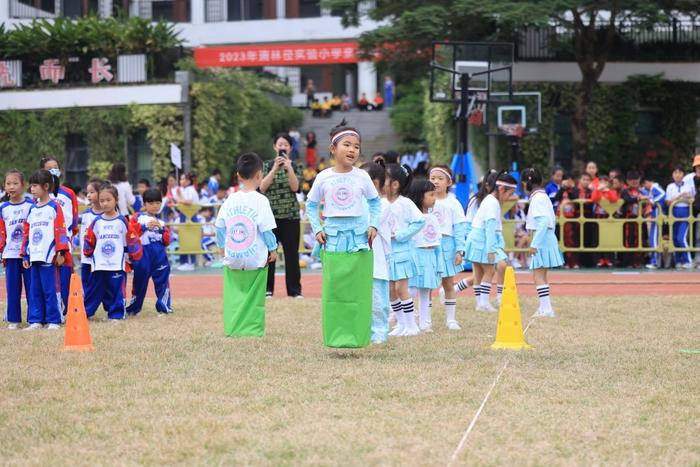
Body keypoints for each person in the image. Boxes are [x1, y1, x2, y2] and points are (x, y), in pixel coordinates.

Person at [306, 122, 380, 347]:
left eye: (356, 146)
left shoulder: (362, 177)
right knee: (335, 287)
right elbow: (310, 206)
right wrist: (317, 228)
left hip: (358, 239)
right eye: (346, 145)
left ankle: (358, 336)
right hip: (333, 238)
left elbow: (375, 203)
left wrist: (373, 225)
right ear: (332, 148)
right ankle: (336, 337)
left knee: (357, 287)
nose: (352, 150)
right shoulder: (323, 177)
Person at [215, 153, 278, 337]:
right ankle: (252, 328)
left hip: (233, 256)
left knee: (234, 294)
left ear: (238, 175)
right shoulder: (261, 201)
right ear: (260, 174)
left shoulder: (230, 199)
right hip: (255, 257)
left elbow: (219, 227)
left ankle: (233, 327)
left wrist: (222, 249)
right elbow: (267, 230)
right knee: (255, 295)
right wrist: (273, 249)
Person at [83, 184, 142, 320]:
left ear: (116, 200)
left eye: (108, 200)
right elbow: (89, 239)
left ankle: (116, 315)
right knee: (93, 290)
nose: (105, 203)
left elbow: (131, 240)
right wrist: (88, 252)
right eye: (102, 200)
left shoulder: (122, 221)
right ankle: (85, 313)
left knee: (116, 290)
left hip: (117, 264)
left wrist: (132, 257)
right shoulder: (97, 221)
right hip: (99, 264)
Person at [21, 169, 71, 330]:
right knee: (34, 290)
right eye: (31, 186)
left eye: (35, 186)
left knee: (50, 290)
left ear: (46, 186)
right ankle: (36, 319)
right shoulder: (32, 209)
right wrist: (25, 254)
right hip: (34, 256)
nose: (32, 189)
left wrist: (61, 252)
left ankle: (54, 320)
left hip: (49, 256)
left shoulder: (54, 207)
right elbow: (26, 233)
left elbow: (62, 230)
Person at [464, 171, 517, 312]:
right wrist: (490, 249)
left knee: (480, 273)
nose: (510, 198)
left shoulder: (489, 200)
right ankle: (483, 303)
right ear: (501, 189)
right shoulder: (492, 203)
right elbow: (490, 228)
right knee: (489, 271)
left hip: (477, 238)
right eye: (509, 194)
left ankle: (480, 303)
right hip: (482, 240)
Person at [260, 133, 304, 298]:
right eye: (280, 144)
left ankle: (294, 291)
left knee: (292, 255)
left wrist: (289, 167)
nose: (282, 147)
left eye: (286, 144)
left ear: (290, 148)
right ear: (274, 147)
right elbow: (262, 187)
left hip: (291, 216)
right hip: (270, 218)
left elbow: (295, 187)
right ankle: (267, 290)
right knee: (269, 254)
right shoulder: (266, 166)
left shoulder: (296, 166)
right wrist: (274, 169)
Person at [385, 164, 425, 337]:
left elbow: (419, 222)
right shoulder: (380, 203)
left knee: (402, 288)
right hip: (387, 252)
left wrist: (401, 235)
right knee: (390, 289)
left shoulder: (406, 203)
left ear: (395, 184)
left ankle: (411, 325)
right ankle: (401, 323)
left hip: (403, 251)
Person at [521, 168, 564, 318]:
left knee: (538, 275)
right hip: (547, 238)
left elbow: (543, 222)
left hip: (542, 239)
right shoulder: (543, 196)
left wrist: (534, 244)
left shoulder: (537, 198)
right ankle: (545, 307)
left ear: (526, 183)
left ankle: (546, 309)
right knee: (542, 275)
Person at [429, 166, 466, 330]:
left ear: (449, 182)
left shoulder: (454, 203)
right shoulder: (425, 200)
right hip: (429, 246)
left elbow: (459, 228)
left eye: (440, 178)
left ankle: (451, 319)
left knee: (448, 283)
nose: (436, 181)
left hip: (447, 245)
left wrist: (460, 250)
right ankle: (425, 319)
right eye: (432, 178)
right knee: (427, 284)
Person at [39, 156, 78, 313]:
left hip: (63, 240)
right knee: (47, 277)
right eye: (49, 168)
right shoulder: (39, 194)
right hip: (44, 243)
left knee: (64, 275)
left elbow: (74, 219)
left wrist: (68, 235)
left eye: (55, 167)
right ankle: (49, 309)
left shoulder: (68, 193)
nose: (53, 171)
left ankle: (67, 308)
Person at [126, 188, 172, 316]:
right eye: (151, 203)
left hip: (159, 254)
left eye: (158, 203)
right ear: (144, 204)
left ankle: (164, 307)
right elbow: (130, 232)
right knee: (139, 282)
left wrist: (162, 230)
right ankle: (134, 308)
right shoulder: (137, 217)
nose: (155, 206)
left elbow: (167, 241)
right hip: (143, 254)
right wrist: (144, 227)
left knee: (162, 281)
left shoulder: (162, 222)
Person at [361, 161, 392, 344]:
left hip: (377, 262)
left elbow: (367, 224)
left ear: (375, 183)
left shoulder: (383, 205)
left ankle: (379, 333)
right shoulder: (357, 204)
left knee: (378, 302)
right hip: (360, 260)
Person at [406, 179, 441, 332]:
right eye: (431, 195)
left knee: (426, 291)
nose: (434, 198)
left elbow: (438, 242)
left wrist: (438, 263)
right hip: (415, 255)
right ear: (420, 196)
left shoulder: (433, 218)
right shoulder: (411, 218)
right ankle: (408, 317)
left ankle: (425, 322)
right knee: (411, 290)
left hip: (429, 256)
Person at [0, 169, 33, 329]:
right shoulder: (3, 207)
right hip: (10, 254)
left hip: (28, 255)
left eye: (15, 183)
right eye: (8, 183)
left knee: (31, 287)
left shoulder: (31, 206)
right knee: (12, 288)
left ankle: (34, 318)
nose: (11, 187)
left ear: (23, 185)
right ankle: (13, 319)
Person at [78, 179, 104, 298]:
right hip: (86, 256)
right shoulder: (86, 214)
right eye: (88, 192)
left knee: (102, 283)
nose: (88, 195)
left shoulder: (107, 215)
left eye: (92, 192)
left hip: (101, 258)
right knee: (86, 281)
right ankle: (86, 306)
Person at [666, 165, 695, 268]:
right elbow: (668, 202)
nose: (677, 175)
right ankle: (678, 260)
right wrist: (678, 197)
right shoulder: (670, 187)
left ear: (683, 175)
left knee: (681, 238)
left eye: (680, 173)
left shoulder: (688, 186)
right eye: (675, 173)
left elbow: (693, 200)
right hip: (674, 212)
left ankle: (688, 261)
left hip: (685, 212)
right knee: (674, 238)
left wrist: (689, 197)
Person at [619, 171, 646, 268]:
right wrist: (637, 199)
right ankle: (627, 262)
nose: (634, 182)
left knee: (639, 240)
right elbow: (626, 200)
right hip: (628, 219)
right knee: (628, 240)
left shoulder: (642, 191)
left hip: (639, 219)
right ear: (627, 181)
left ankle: (638, 262)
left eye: (636, 180)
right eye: (632, 180)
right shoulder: (624, 191)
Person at [590, 175, 619, 268]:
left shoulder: (612, 191)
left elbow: (614, 199)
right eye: (601, 182)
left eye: (605, 182)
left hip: (608, 219)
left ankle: (609, 259)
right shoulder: (597, 191)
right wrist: (598, 190)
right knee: (597, 239)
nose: (603, 184)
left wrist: (608, 191)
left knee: (608, 239)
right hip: (598, 218)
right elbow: (594, 199)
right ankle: (598, 259)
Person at [174, 171, 200, 272]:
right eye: (180, 179)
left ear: (189, 181)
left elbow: (188, 202)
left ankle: (190, 262)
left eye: (183, 179)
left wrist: (179, 197)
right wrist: (179, 195)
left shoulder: (190, 189)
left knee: (189, 238)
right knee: (184, 238)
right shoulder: (184, 189)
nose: (181, 181)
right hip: (184, 215)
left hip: (190, 216)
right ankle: (184, 261)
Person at [640, 174, 666, 269]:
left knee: (654, 238)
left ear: (647, 182)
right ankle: (655, 261)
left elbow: (663, 194)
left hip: (657, 215)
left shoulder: (655, 187)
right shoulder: (650, 190)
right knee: (653, 238)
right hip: (655, 215)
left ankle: (654, 262)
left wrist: (652, 201)